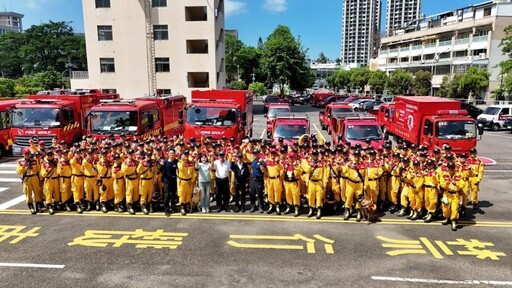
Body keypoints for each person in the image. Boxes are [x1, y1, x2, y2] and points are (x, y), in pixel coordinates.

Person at [440, 162, 465, 231]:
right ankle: (447, 218)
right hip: (447, 193)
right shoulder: (444, 175)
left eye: (452, 168)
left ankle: (454, 221)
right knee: (445, 208)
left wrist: (456, 183)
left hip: (455, 194)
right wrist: (446, 184)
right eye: (449, 168)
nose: (451, 169)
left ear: (454, 168)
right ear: (447, 168)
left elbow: (462, 185)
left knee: (454, 209)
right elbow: (442, 184)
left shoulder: (459, 175)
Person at [16, 148, 41, 214]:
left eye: (28, 154)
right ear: (23, 155)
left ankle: (38, 205)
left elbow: (38, 169)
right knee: (28, 193)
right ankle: (31, 206)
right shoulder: (20, 162)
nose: (27, 155)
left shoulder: (34, 161)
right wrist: (24, 166)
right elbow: (18, 172)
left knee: (37, 192)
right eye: (25, 154)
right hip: (27, 179)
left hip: (34, 177)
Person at [177, 150, 196, 215]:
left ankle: (186, 207)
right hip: (182, 181)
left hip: (189, 181)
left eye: (187, 155)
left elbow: (193, 173)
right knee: (182, 194)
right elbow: (181, 169)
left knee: (188, 194)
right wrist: (183, 161)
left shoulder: (191, 163)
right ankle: (182, 208)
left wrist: (192, 180)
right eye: (184, 155)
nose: (186, 156)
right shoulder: (179, 162)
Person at [162, 149, 179, 217]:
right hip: (167, 181)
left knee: (173, 195)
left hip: (174, 180)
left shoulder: (176, 162)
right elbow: (162, 170)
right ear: (168, 154)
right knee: (167, 195)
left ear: (175, 154)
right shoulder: (165, 162)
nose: (172, 154)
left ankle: (173, 206)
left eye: (173, 153)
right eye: (170, 153)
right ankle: (166, 209)